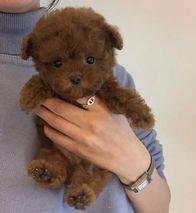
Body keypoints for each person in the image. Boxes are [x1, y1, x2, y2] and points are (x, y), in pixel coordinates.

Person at [0, 0, 170, 212]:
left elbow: (160, 206)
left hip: (94, 177)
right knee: (51, 158)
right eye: (58, 64)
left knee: (92, 175)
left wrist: (131, 161)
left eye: (89, 60)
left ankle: (83, 186)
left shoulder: (111, 76)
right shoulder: (42, 77)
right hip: (53, 157)